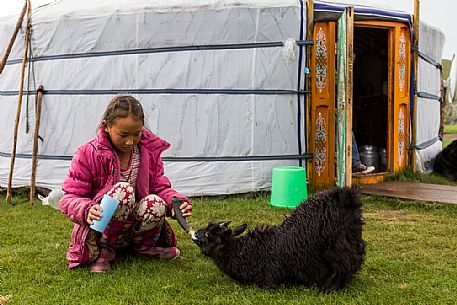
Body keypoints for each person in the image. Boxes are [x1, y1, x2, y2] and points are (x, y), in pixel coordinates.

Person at [59, 95, 192, 272]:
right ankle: (105, 251)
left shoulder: (148, 152)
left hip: (134, 228)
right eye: (123, 135)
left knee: (156, 202)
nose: (130, 142)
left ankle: (145, 247)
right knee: (123, 190)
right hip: (102, 228)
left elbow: (160, 187)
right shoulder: (87, 153)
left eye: (136, 134)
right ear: (106, 127)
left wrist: (175, 203)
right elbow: (70, 197)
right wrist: (86, 209)